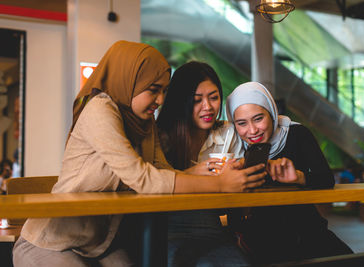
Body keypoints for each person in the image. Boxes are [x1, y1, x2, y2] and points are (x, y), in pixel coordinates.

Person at [12, 42, 266, 267]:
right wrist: (220, 184)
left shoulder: (144, 122)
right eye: (153, 89)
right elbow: (142, 178)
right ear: (130, 80)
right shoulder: (99, 109)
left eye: (164, 91)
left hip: (100, 245)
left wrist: (196, 173)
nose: (159, 99)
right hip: (52, 242)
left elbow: (161, 173)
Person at [225, 82, 354, 264]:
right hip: (257, 239)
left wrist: (299, 177)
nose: (252, 130)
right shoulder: (233, 145)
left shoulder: (296, 134)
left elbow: (326, 179)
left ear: (272, 113)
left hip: (306, 231)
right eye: (241, 123)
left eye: (258, 118)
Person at [157, 61, 251, 266]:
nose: (207, 107)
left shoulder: (228, 133)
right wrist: (190, 174)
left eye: (214, 98)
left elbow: (236, 192)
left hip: (214, 228)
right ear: (181, 101)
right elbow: (149, 184)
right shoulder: (161, 137)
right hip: (166, 229)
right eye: (196, 100)